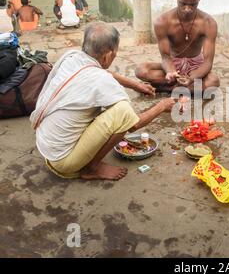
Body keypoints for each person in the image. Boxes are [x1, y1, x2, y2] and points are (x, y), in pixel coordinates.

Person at [30, 22, 171, 181]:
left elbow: (102, 70)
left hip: (46, 145)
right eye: (115, 55)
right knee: (123, 113)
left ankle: (87, 160)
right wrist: (162, 106)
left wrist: (137, 85)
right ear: (108, 55)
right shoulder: (100, 79)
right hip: (63, 161)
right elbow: (134, 124)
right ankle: (92, 168)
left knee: (110, 106)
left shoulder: (72, 58)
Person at [135, 0, 220, 93]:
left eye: (193, 4)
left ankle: (169, 88)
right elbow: (165, 57)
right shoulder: (163, 22)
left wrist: (192, 78)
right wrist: (171, 72)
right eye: (183, 3)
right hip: (173, 65)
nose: (187, 9)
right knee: (142, 70)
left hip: (196, 67)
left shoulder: (208, 23)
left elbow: (208, 62)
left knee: (213, 81)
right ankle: (184, 88)